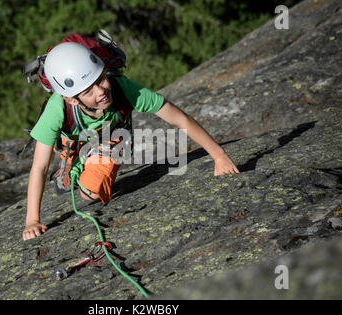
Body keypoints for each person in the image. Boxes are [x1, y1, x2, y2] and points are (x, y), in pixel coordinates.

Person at [22, 42, 239, 241]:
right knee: (83, 186)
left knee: (92, 192)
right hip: (78, 144)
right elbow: (39, 167)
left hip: (115, 138)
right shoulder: (57, 109)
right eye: (89, 91)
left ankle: (92, 157)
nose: (101, 92)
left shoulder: (123, 87)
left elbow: (179, 118)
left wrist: (219, 156)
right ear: (71, 99)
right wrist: (32, 220)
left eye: (101, 80)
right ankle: (74, 158)